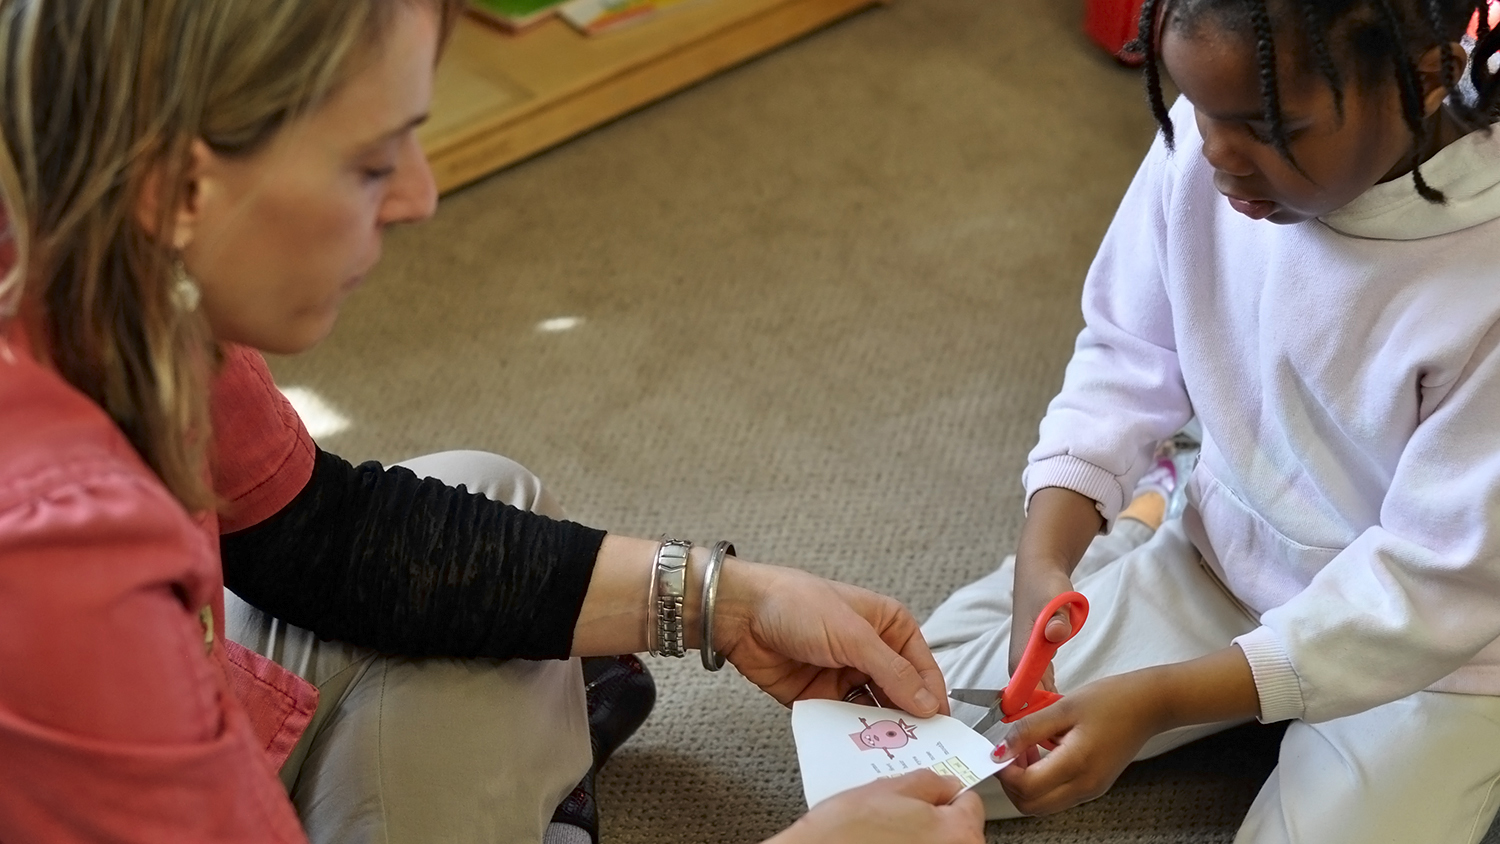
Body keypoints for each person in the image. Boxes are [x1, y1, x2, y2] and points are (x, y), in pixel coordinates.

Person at [0, 1, 986, 843]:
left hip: (195, 692)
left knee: (488, 495)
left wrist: (725, 598)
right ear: (179, 188)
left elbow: (314, 534)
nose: (423, 197)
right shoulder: (65, 562)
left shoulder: (107, 258)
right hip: (139, 704)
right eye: (373, 162)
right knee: (507, 651)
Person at [921, 0, 1500, 841]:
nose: (1220, 157)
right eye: (1200, 108)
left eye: (1272, 123)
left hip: (1435, 655)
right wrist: (1045, 562)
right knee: (915, 762)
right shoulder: (1205, 141)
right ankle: (1142, 522)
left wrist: (1160, 699)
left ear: (1426, 79)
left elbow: (1433, 582)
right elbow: (1125, 353)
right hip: (1225, 559)